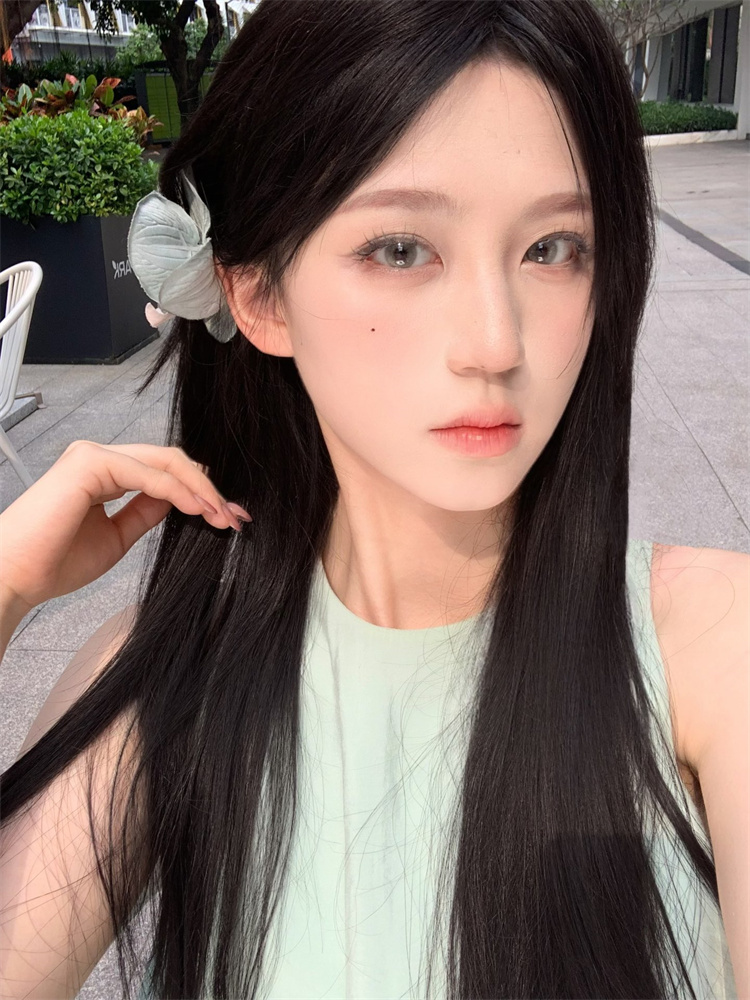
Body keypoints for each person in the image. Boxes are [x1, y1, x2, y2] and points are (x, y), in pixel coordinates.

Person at [0, 1, 747, 997]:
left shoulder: (716, 645)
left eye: (552, 248)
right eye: (401, 249)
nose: (496, 344)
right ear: (258, 295)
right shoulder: (171, 678)